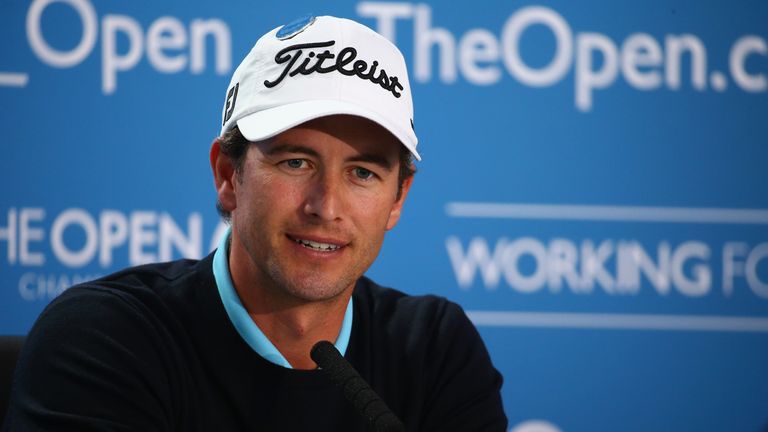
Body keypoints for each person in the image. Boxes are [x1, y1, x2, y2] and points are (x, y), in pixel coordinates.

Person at [3, 15, 506, 431]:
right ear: (228, 175)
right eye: (295, 163)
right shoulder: (105, 339)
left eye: (362, 173)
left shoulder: (435, 350)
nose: (325, 205)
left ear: (398, 199)